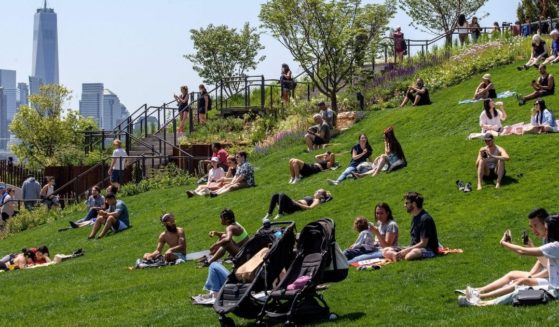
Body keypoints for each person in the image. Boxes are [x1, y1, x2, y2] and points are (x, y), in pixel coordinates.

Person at [459, 214, 559, 307]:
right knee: (519, 287)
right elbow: (543, 262)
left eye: (547, 229)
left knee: (519, 291)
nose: (545, 231)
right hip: (553, 287)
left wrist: (503, 243)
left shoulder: (555, 246)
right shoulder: (554, 245)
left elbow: (522, 251)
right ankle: (479, 297)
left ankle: (481, 302)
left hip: (555, 290)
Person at [384, 192, 439, 261]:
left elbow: (423, 243)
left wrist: (406, 251)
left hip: (428, 249)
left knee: (410, 255)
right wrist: (406, 249)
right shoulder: (414, 217)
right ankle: (397, 256)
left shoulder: (425, 219)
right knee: (386, 250)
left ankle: (398, 256)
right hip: (413, 247)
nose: (404, 205)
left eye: (407, 203)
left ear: (414, 204)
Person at [262, 188, 332, 221]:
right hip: (293, 205)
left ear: (321, 196)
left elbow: (310, 208)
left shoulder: (317, 200)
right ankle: (269, 213)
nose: (316, 191)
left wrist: (296, 203)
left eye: (318, 191)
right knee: (275, 195)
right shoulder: (314, 198)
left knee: (282, 194)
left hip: (296, 207)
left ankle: (280, 213)